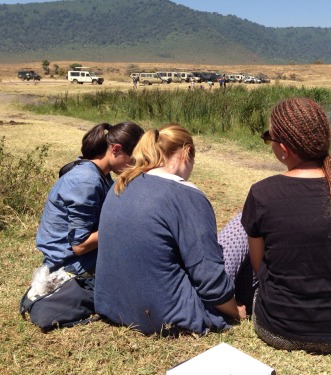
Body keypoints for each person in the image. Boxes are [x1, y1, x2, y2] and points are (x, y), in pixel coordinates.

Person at [241, 97, 331, 354]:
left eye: (268, 138)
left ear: (283, 148)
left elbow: (258, 265)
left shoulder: (262, 193)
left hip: (278, 330)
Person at [95, 124, 246, 336]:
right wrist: (234, 310)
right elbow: (208, 274)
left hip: (112, 305)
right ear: (187, 152)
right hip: (166, 315)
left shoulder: (122, 183)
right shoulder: (186, 196)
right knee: (242, 222)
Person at [35, 121, 144, 276]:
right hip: (70, 267)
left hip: (77, 260)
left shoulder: (98, 172)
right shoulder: (87, 180)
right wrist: (124, 227)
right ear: (116, 149)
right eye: (133, 160)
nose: (135, 167)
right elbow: (80, 245)